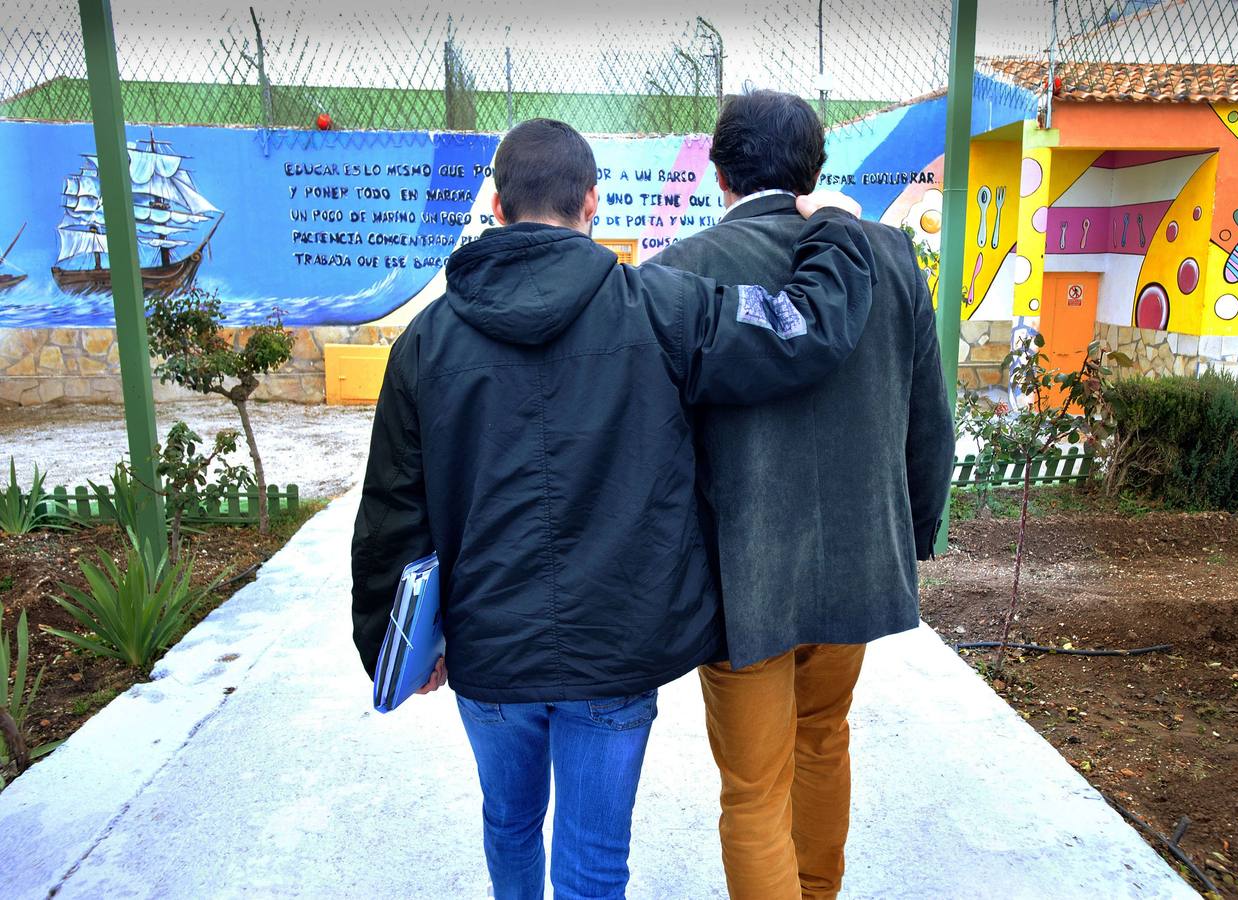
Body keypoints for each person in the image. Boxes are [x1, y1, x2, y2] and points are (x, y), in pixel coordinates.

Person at [349, 117, 876, 900]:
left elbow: (391, 509)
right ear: (592, 203)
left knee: (508, 826)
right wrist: (833, 227)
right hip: (616, 650)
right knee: (596, 857)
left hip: (488, 652)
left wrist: (391, 645)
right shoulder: (665, 307)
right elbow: (801, 333)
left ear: (496, 205)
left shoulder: (425, 342)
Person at [648, 90, 955, 900]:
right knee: (824, 741)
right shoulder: (891, 258)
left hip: (740, 579)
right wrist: (914, 533)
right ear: (815, 168)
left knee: (753, 788)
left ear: (718, 172)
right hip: (856, 563)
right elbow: (930, 419)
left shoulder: (680, 274)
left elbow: (654, 450)